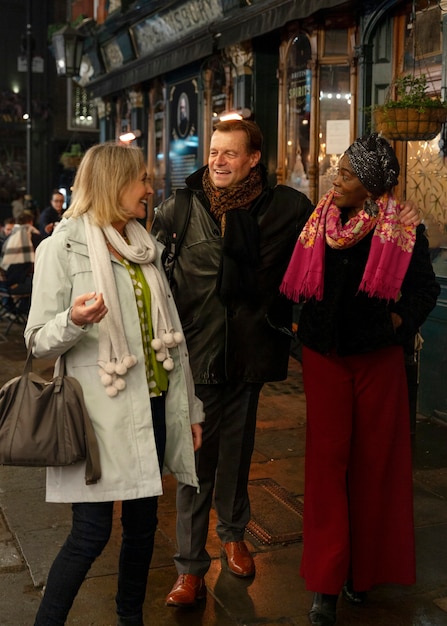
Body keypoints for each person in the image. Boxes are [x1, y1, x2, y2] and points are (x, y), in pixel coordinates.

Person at [152, 120, 422, 608]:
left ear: (253, 158)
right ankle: (189, 568)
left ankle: (233, 536)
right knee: (195, 465)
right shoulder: (181, 208)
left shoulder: (290, 210)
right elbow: (157, 281)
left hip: (252, 356)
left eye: (229, 153)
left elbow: (301, 282)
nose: (217, 160)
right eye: (213, 152)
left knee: (237, 456)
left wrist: (298, 336)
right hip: (197, 355)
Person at [24, 141, 204, 626]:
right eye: (142, 179)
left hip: (155, 405)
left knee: (144, 527)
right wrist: (74, 320)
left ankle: (131, 618)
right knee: (91, 533)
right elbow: (38, 342)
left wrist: (192, 411)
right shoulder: (60, 248)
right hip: (96, 416)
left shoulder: (145, 246)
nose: (150, 188)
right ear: (112, 184)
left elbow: (172, 338)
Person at [280, 133, 440, 626]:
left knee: (374, 466)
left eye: (347, 174)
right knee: (328, 467)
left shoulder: (402, 229)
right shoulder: (319, 219)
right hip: (325, 359)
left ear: (370, 186)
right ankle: (326, 583)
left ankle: (362, 572)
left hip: (377, 361)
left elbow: (424, 290)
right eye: (339, 171)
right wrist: (299, 330)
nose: (336, 179)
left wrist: (396, 323)